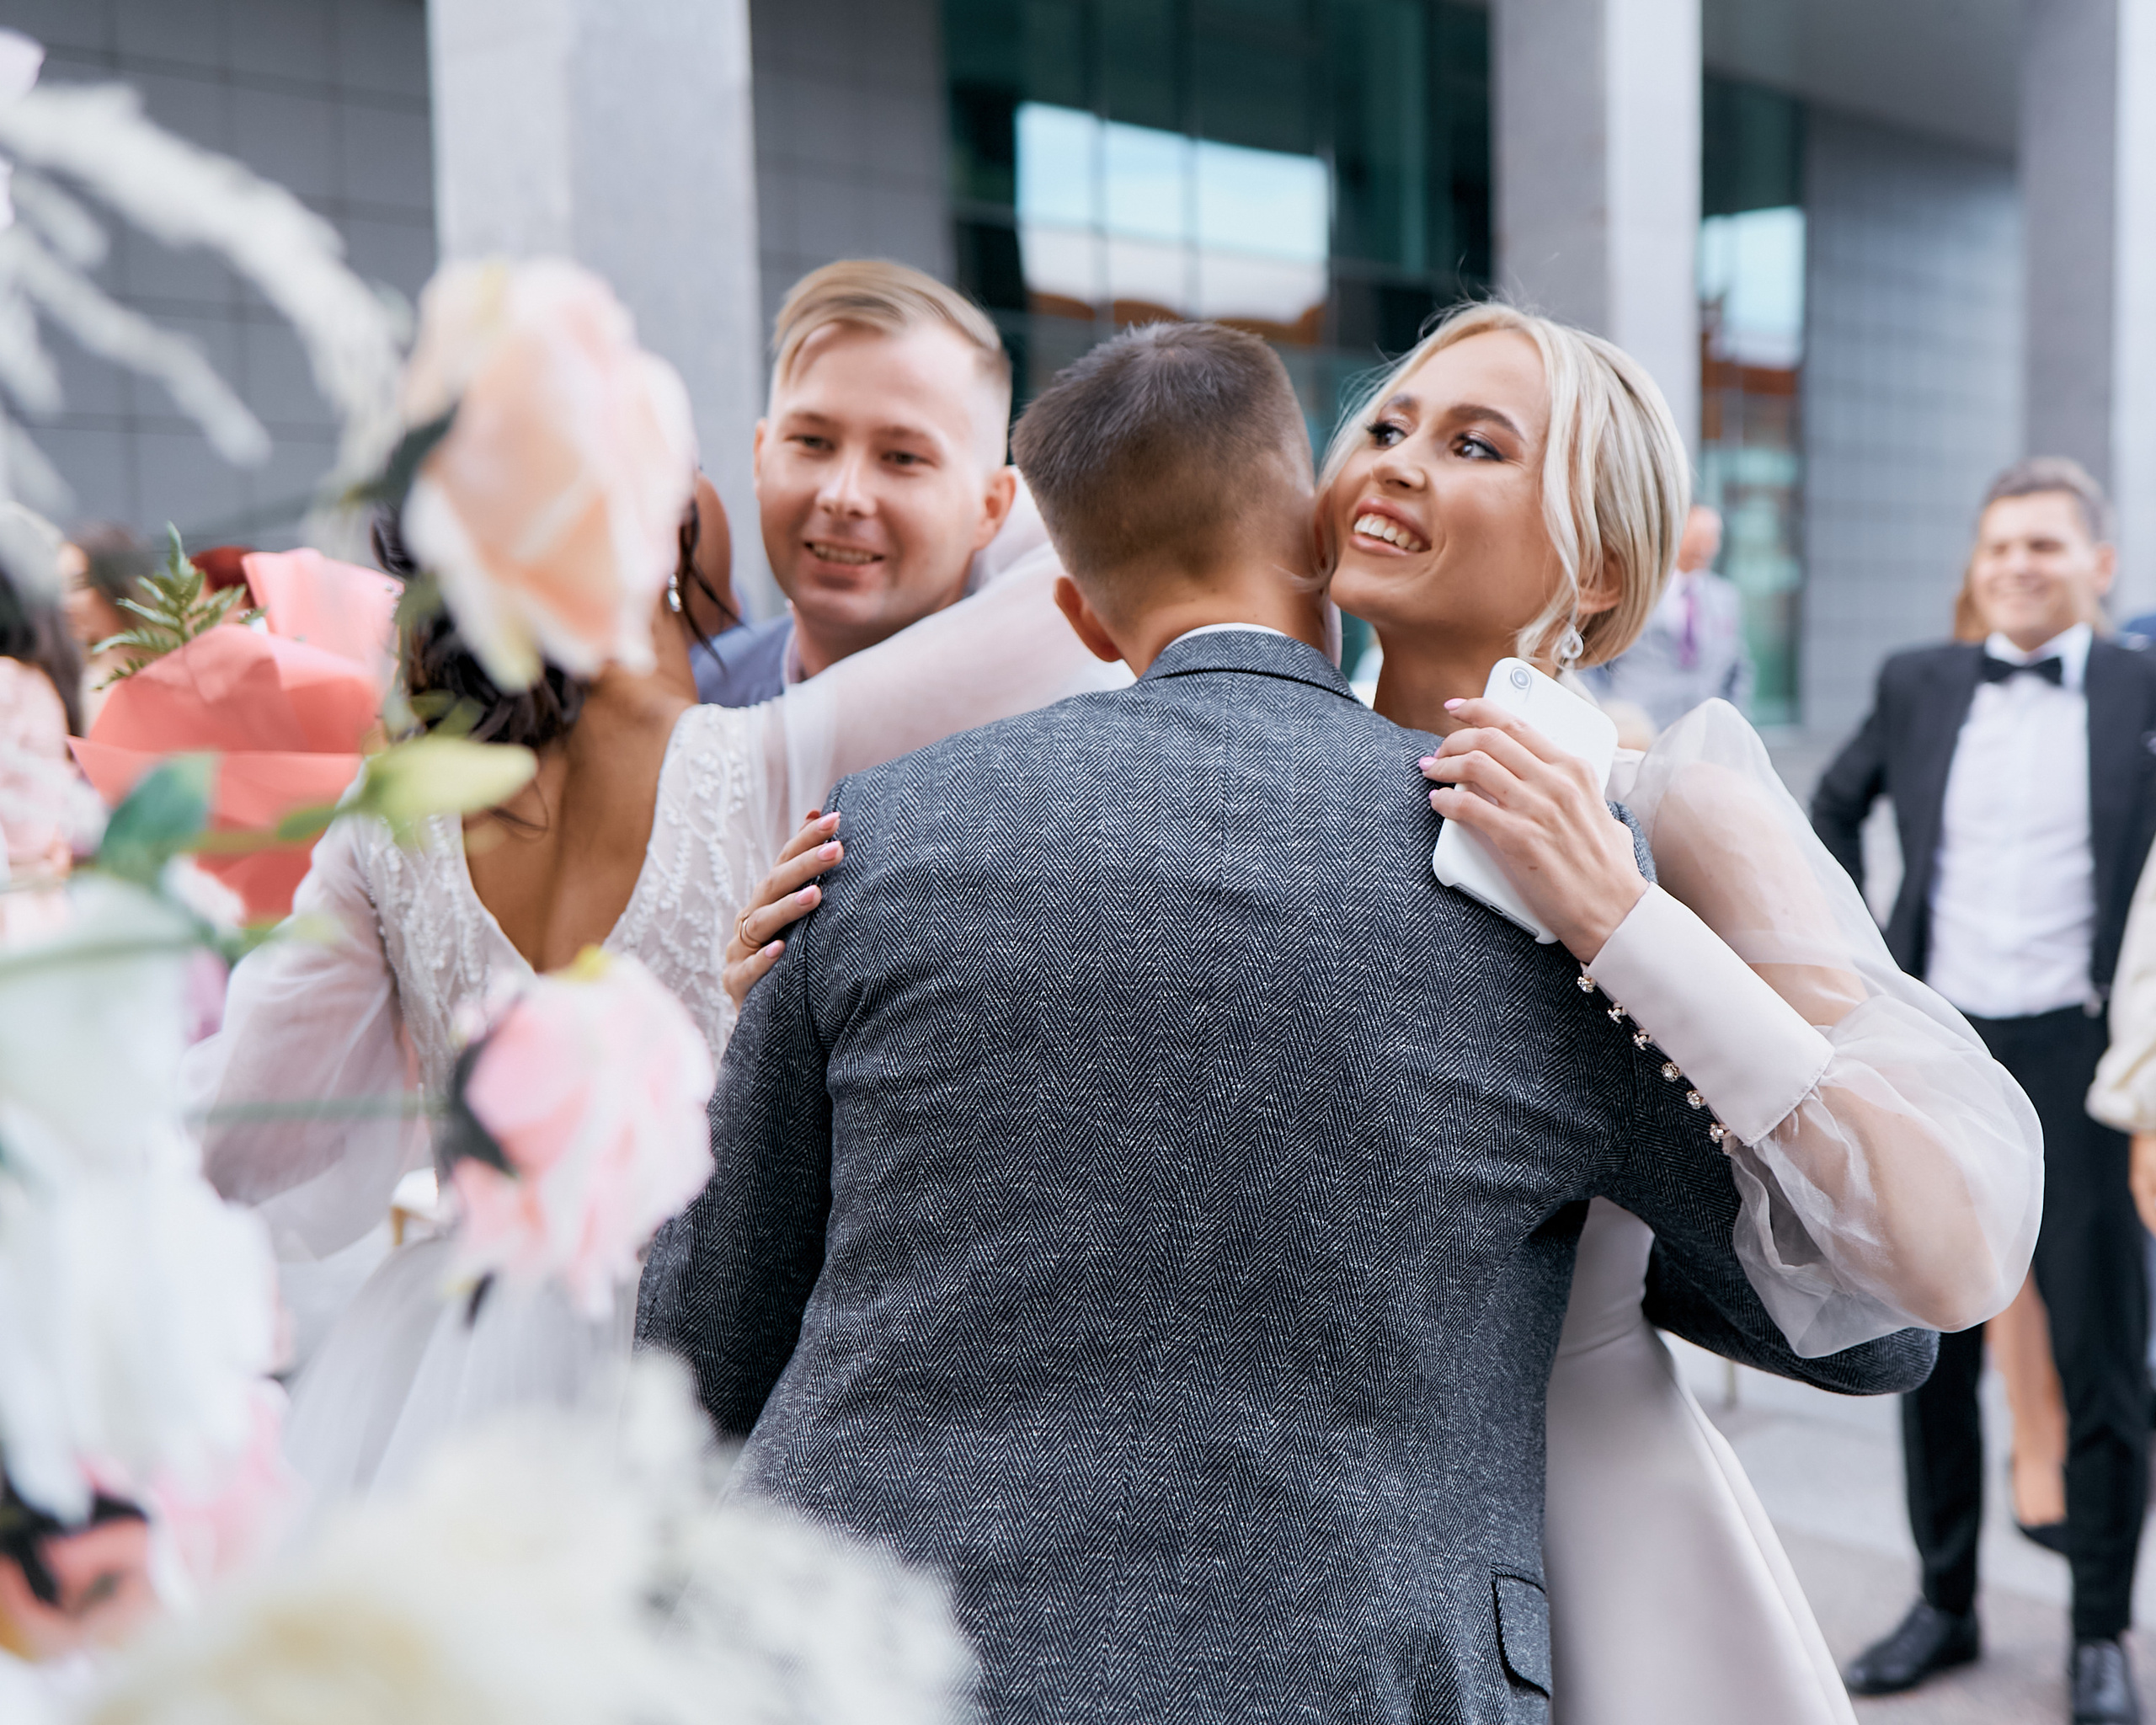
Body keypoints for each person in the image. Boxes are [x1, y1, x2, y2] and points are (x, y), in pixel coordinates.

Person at [638, 320, 1951, 1723]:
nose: (1395, 470)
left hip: (860, 1653)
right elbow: (1857, 1334)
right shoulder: (1520, 913)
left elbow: (698, 1345)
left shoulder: (879, 835)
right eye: (1386, 428)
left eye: (1473, 442)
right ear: (1310, 527)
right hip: (1358, 1650)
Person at [184, 294, 1123, 1504]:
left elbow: (250, 1123)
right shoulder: (770, 764)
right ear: (664, 521)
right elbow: (1074, 592)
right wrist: (966, 497)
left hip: (441, 1381)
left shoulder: (387, 814)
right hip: (713, 1365)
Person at [1814, 455, 2156, 1723]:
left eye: (2047, 547)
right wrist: (1855, 967)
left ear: (2099, 567)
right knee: (1931, 1342)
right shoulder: (1918, 679)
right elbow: (1827, 812)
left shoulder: (2141, 686)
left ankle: (2100, 1632)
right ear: (1977, 563)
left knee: (2101, 1349)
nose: (2019, 565)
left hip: (2082, 1056)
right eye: (2001, 546)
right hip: (1939, 1048)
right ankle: (1945, 1601)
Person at [693, 259, 1041, 705]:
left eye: (902, 457)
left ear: (991, 508)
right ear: (761, 457)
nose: (842, 496)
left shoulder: (1058, 732)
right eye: (813, 442)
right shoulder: (695, 697)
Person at [1578, 503, 1752, 734]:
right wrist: (1608, 713)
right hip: (1637, 731)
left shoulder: (1725, 597)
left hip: (1700, 732)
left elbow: (1737, 668)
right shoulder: (1635, 590)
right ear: (1675, 534)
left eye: (1713, 537)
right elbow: (1592, 658)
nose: (1706, 547)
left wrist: (1732, 722)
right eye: (1699, 536)